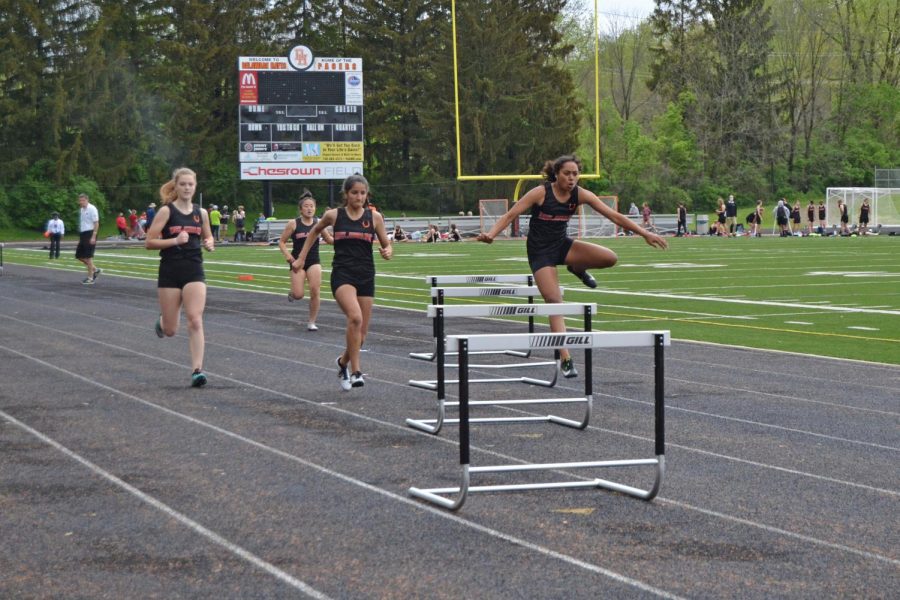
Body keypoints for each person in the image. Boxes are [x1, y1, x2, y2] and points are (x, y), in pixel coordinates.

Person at [477, 154, 667, 378]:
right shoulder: (540, 193)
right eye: (567, 173)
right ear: (556, 174)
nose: (571, 178)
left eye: (575, 174)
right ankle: (565, 357)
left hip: (562, 246)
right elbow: (510, 215)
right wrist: (491, 234)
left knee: (610, 258)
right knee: (555, 301)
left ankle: (576, 267)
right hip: (540, 253)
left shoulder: (580, 194)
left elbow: (614, 216)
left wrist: (644, 233)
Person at [295, 174, 392, 391]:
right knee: (355, 317)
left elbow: (387, 244)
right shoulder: (334, 215)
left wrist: (387, 250)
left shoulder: (374, 217)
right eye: (354, 192)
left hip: (366, 275)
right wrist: (301, 258)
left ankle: (342, 363)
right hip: (343, 275)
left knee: (362, 335)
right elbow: (314, 232)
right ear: (346, 194)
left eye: (363, 193)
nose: (359, 197)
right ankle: (357, 371)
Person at [145, 167, 215, 387]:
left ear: (195, 187)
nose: (186, 188)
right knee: (170, 330)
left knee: (195, 319)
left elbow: (208, 236)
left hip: (194, 269)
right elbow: (149, 242)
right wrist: (175, 241)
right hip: (170, 270)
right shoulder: (166, 212)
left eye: (190, 184)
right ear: (175, 186)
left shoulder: (201, 213)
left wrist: (210, 242)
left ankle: (197, 370)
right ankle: (163, 320)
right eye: (183, 184)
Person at [278, 190, 333, 331]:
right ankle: (292, 294)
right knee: (298, 294)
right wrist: (288, 257)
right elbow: (282, 242)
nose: (309, 209)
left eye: (312, 206)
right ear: (301, 209)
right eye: (306, 206)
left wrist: (344, 237)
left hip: (314, 261)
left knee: (315, 290)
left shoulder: (318, 223)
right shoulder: (293, 224)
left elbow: (329, 240)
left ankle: (312, 322)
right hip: (297, 262)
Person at [75, 193, 101, 284]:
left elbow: (96, 223)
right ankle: (95, 269)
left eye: (83, 200)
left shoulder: (92, 208)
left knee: (88, 256)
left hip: (90, 233)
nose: (81, 202)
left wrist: (93, 236)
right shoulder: (81, 209)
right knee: (79, 256)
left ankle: (90, 278)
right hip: (83, 234)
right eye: (80, 201)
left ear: (87, 200)